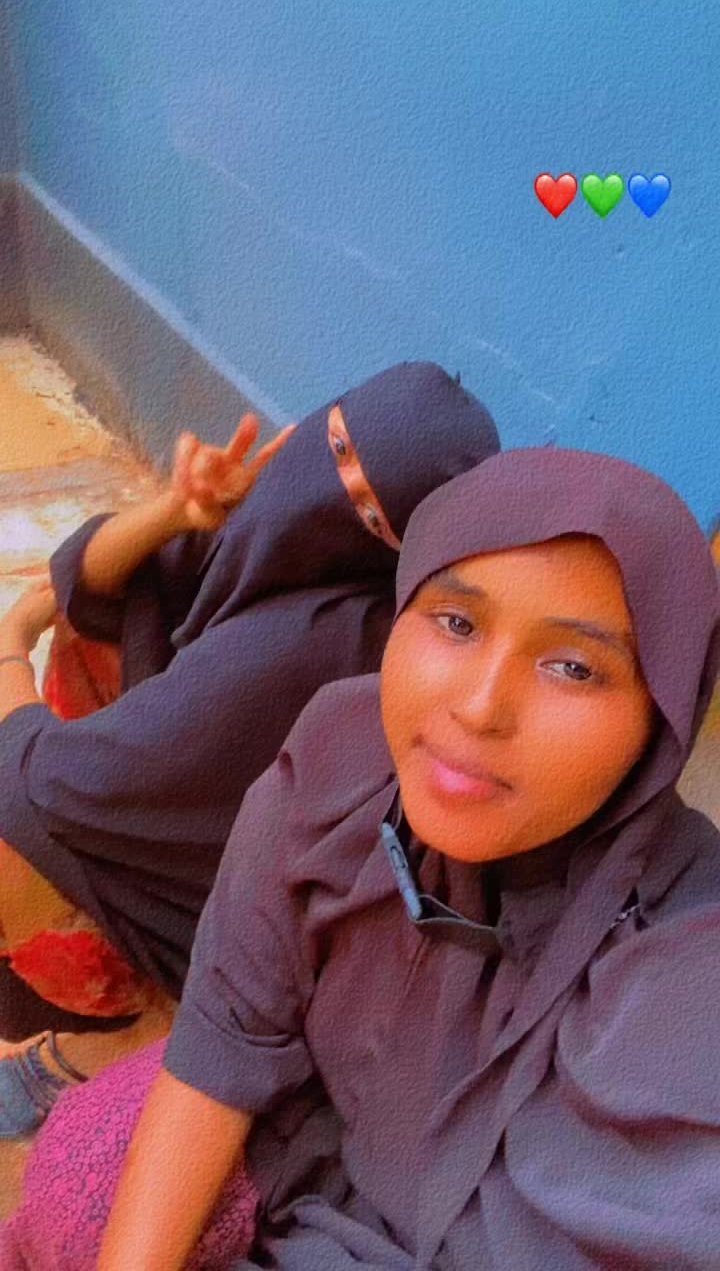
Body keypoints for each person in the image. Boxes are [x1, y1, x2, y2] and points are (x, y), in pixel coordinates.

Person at [75, 445, 718, 1270]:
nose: (480, 708)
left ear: (659, 720)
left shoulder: (685, 965)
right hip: (305, 1167)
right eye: (457, 624)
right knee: (82, 1183)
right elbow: (221, 1044)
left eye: (573, 667)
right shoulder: (338, 764)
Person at [0, 362, 500, 1136]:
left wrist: (8, 645)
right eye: (337, 447)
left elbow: (52, 785)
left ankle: (135, 1034)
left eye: (370, 509)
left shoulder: (316, 637)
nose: (332, 487)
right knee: (94, 639)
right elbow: (88, 588)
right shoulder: (280, 545)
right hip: (201, 828)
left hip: (243, 925)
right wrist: (176, 511)